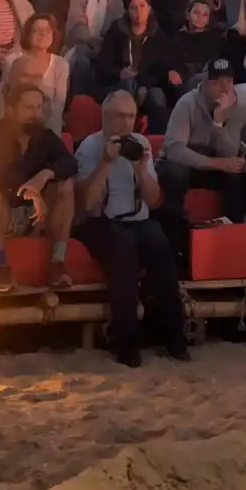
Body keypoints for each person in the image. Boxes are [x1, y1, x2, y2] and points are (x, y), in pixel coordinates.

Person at [74, 90, 188, 367]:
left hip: (138, 219)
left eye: (130, 117)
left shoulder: (140, 144)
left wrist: (140, 168)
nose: (125, 123)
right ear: (105, 118)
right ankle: (125, 343)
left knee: (160, 244)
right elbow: (87, 205)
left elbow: (153, 199)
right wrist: (106, 162)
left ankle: (173, 337)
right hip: (100, 221)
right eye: (118, 117)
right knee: (123, 248)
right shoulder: (89, 147)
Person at [0, 71, 76, 292]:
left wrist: (44, 176)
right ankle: (2, 265)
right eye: (29, 108)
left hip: (38, 216)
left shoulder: (45, 137)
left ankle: (57, 263)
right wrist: (31, 191)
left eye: (39, 108)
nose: (35, 114)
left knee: (66, 186)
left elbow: (69, 163)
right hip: (4, 214)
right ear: (11, 110)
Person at [158, 56, 246, 235]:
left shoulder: (237, 107)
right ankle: (175, 236)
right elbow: (174, 149)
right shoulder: (187, 104)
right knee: (176, 172)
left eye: (229, 82)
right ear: (205, 83)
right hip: (186, 164)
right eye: (217, 83)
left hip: (211, 168)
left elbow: (229, 153)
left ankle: (235, 233)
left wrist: (218, 123)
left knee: (237, 175)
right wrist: (216, 163)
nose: (225, 89)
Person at [96, 0, 179, 133]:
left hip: (147, 85)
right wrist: (120, 73)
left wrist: (143, 84)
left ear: (149, 8)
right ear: (127, 11)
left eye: (142, 6)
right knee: (125, 89)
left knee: (157, 97)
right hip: (120, 84)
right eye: (133, 7)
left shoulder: (158, 35)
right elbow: (103, 64)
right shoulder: (116, 32)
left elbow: (163, 68)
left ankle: (158, 142)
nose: (139, 12)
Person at [3, 13, 70, 126]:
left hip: (48, 122)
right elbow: (5, 95)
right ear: (28, 34)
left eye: (47, 30)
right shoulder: (12, 60)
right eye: (37, 30)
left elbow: (59, 104)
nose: (43, 34)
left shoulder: (61, 64)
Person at [171, 0, 221, 93]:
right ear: (187, 14)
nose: (200, 17)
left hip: (204, 79)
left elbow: (214, 62)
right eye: (196, 12)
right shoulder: (177, 37)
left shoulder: (214, 38)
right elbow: (171, 61)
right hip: (181, 79)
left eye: (205, 15)